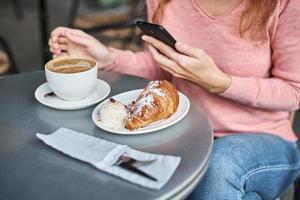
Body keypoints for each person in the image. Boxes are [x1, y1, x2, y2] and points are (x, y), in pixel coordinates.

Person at [49, 0, 300, 199]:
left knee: (216, 168)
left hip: (262, 138)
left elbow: (294, 91)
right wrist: (108, 58)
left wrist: (221, 83)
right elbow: (163, 68)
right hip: (180, 134)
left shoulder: (284, 4)